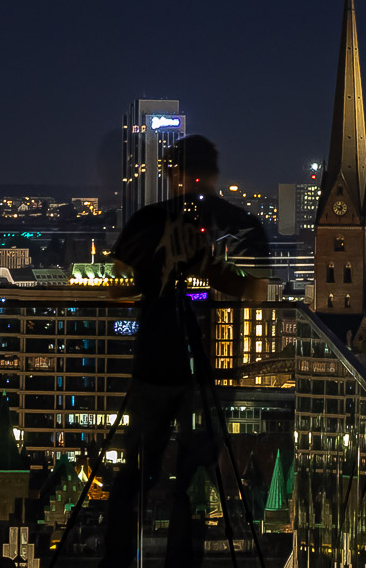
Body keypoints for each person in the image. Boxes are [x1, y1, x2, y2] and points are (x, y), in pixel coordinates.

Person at [100, 134, 269, 568]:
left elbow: (118, 283)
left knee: (137, 469)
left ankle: (116, 559)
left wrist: (159, 272)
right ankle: (182, 560)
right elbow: (253, 292)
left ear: (173, 173)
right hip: (205, 363)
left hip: (154, 356)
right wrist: (215, 274)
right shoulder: (238, 222)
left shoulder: (146, 220)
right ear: (213, 172)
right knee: (195, 474)